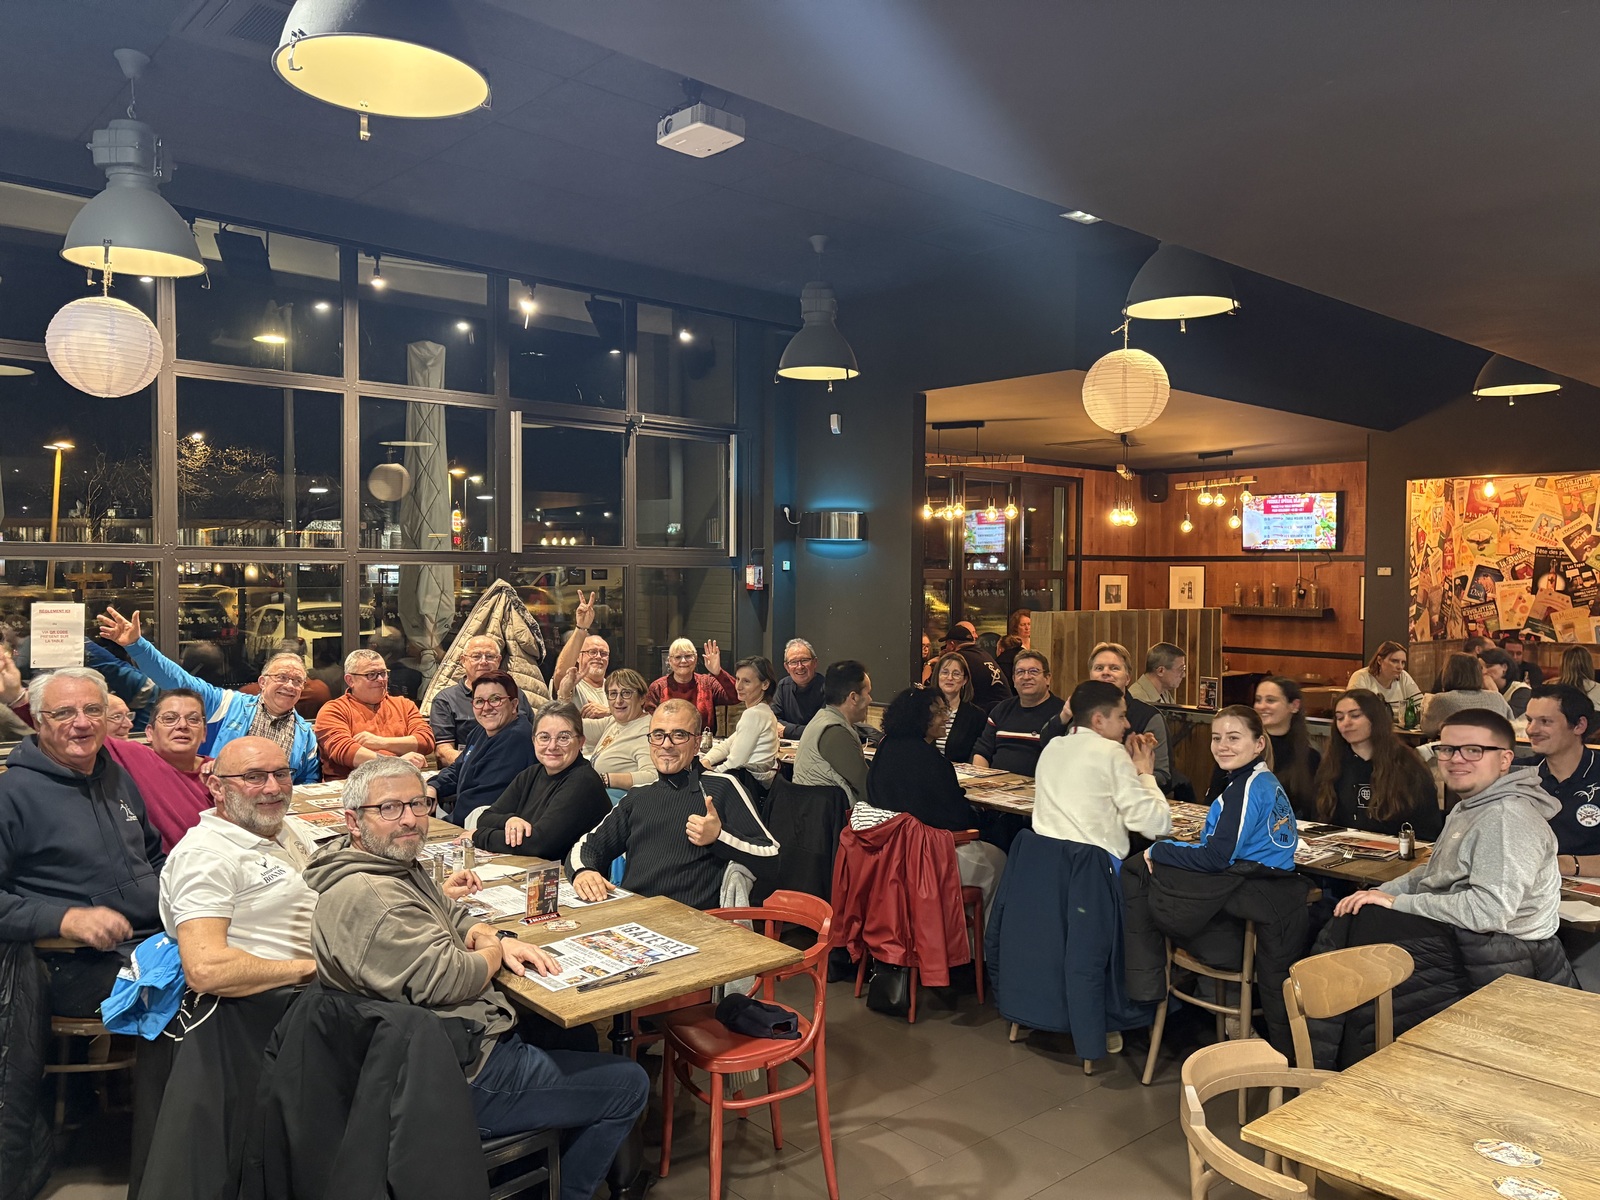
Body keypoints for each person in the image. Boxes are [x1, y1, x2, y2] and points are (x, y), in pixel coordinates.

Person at [304, 758, 649, 1200]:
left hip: (417, 1054)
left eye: (417, 804)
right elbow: (452, 977)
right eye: (389, 808)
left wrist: (491, 935)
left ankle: (539, 1170)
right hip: (450, 1076)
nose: (409, 819)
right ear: (353, 820)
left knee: (577, 1035)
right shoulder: (378, 899)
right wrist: (493, 951)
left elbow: (449, 910)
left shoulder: (381, 865)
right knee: (630, 1084)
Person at [0, 667, 164, 1015]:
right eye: (64, 713)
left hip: (151, 939)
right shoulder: (10, 795)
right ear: (38, 721)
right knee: (201, 994)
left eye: (93, 710)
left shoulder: (116, 776)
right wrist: (64, 919)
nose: (82, 723)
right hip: (72, 960)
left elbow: (153, 857)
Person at [1334, 709, 1566, 950]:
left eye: (1473, 750)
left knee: (1358, 927)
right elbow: (1436, 873)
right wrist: (1381, 893)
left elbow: (1487, 912)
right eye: (1447, 749)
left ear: (1505, 760)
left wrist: (1396, 902)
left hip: (1499, 951)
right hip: (1462, 936)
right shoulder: (1469, 806)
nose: (1456, 759)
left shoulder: (1506, 817)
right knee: (1355, 912)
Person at [568, 699, 779, 908]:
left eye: (679, 735)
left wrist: (719, 837)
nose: (666, 744)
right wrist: (583, 872)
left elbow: (772, 859)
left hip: (695, 923)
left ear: (696, 744)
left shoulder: (722, 787)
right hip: (635, 918)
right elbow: (586, 847)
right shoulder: (637, 797)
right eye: (658, 735)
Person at [158, 736, 318, 997]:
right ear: (217, 788)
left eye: (281, 774)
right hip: (282, 1000)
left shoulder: (284, 826)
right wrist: (321, 970)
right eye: (254, 777)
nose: (273, 788)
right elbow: (206, 970)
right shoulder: (204, 857)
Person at [98, 605, 320, 783]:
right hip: (217, 805)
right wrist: (137, 646)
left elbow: (307, 783)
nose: (289, 685)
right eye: (282, 677)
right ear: (262, 682)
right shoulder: (227, 704)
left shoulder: (305, 735)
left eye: (297, 681)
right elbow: (177, 680)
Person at [856, 687, 1008, 908]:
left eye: (945, 711)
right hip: (928, 858)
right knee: (1000, 859)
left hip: (888, 855)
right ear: (919, 717)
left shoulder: (885, 748)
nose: (946, 718)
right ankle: (973, 929)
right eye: (938, 713)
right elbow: (958, 819)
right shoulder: (932, 762)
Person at [1145, 705, 1298, 875]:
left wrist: (1157, 850)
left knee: (1139, 869)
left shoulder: (1244, 789)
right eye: (1216, 738)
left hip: (1255, 881)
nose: (1222, 746)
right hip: (1271, 876)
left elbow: (1216, 858)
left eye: (1233, 738)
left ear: (1259, 744)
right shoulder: (1264, 777)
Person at [1031, 680, 1172, 859]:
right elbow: (1156, 826)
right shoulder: (1112, 753)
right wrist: (1144, 774)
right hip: (1093, 867)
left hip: (1045, 862)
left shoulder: (1052, 747)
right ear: (1098, 720)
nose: (1127, 724)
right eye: (1121, 716)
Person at [471, 701, 610, 857]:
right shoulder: (531, 774)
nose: (552, 746)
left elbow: (539, 844)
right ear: (533, 741)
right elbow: (485, 818)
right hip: (531, 866)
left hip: (568, 871)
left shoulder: (583, 781)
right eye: (544, 737)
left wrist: (477, 836)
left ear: (580, 742)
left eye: (563, 737)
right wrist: (510, 820)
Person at [1311, 689, 1441, 840]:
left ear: (1375, 718)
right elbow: (1319, 818)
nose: (1346, 723)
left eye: (1355, 715)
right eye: (1340, 718)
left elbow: (1427, 826)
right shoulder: (1331, 766)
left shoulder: (1407, 765)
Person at [106, 688, 215, 853]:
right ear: (150, 733)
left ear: (204, 733)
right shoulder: (132, 756)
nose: (182, 726)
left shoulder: (221, 773)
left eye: (193, 719)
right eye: (169, 718)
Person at [428, 671, 538, 827]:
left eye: (495, 699)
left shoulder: (517, 739)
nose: (486, 708)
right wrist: (434, 786)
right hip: (466, 821)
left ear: (514, 705)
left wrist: (442, 825)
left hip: (486, 827)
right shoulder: (482, 730)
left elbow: (481, 800)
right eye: (479, 701)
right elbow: (458, 768)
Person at [313, 649, 434, 781]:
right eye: (371, 675)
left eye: (383, 673)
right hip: (351, 786)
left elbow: (425, 741)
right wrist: (397, 764)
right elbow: (347, 752)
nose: (381, 679)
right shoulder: (333, 710)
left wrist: (380, 742)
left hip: (402, 783)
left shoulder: (404, 705)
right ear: (350, 680)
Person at [1525, 685, 1600, 878]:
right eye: (1529, 720)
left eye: (1545, 721)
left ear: (1579, 726)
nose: (1531, 730)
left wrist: (1568, 864)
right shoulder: (1519, 775)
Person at [429, 635, 535, 766]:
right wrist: (477, 765)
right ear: (463, 661)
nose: (483, 662)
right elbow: (443, 752)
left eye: (490, 656)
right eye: (476, 656)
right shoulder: (446, 700)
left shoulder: (516, 694)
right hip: (468, 767)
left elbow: (535, 736)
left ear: (498, 660)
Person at [1084, 642, 1173, 793]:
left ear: (1127, 678)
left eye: (1114, 668)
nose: (1105, 673)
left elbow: (1163, 777)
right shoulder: (1081, 713)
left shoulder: (1149, 716)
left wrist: (1133, 773)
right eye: (1099, 668)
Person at [971, 650, 1065, 776]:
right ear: (1014, 680)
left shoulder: (1062, 714)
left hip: (1039, 786)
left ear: (1047, 678)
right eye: (1020, 672)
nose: (1026, 677)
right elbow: (982, 752)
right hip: (995, 784)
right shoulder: (1001, 710)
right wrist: (980, 780)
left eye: (1033, 671)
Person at [792, 660, 872, 807]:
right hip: (827, 816)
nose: (870, 700)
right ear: (853, 697)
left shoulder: (823, 718)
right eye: (868, 693)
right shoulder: (835, 733)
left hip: (813, 812)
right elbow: (868, 789)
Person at [1241, 677, 1321, 817]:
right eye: (1258, 700)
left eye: (1270, 700)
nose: (1261, 706)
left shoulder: (1310, 756)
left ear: (1294, 706)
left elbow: (1312, 811)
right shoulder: (1240, 749)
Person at [699, 655, 784, 785]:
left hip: (750, 786)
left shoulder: (754, 714)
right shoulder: (764, 711)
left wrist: (707, 774)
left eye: (746, 681)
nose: (738, 686)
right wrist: (707, 760)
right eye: (738, 679)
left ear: (765, 684)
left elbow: (734, 763)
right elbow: (728, 745)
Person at [582, 669, 657, 791]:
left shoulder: (647, 731)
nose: (618, 700)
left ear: (642, 698)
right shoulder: (615, 722)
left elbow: (652, 777)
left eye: (626, 693)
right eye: (613, 694)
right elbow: (573, 726)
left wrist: (606, 779)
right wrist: (564, 694)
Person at [643, 638, 738, 733]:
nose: (683, 661)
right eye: (677, 657)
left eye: (688, 656)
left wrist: (718, 673)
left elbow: (737, 696)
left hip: (702, 740)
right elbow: (650, 723)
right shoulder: (658, 687)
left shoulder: (707, 683)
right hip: (668, 739)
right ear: (670, 661)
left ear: (696, 659)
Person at [1420, 652, 1512, 736]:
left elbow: (1427, 728)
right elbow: (1512, 723)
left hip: (1457, 747)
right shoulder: (1497, 697)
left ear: (1448, 674)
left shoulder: (1442, 700)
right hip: (1494, 747)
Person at [552, 591, 611, 718]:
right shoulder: (573, 684)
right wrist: (581, 627)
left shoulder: (615, 688)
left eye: (604, 653)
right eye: (592, 652)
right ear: (578, 657)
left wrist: (609, 712)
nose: (598, 657)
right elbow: (561, 673)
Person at [927, 652, 988, 764]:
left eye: (956, 674)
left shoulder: (977, 716)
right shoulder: (925, 710)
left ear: (965, 680)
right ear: (937, 676)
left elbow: (978, 753)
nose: (950, 678)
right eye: (945, 672)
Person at [1346, 640, 1424, 724]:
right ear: (1379, 660)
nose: (1400, 667)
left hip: (1399, 731)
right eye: (1394, 661)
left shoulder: (1404, 677)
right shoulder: (1361, 677)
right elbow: (1355, 711)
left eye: (1403, 662)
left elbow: (1422, 707)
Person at [944, 621, 1011, 711]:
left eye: (946, 645)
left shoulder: (959, 659)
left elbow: (950, 691)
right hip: (1006, 709)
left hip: (992, 713)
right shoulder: (982, 654)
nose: (945, 649)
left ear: (952, 644)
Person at [772, 638, 825, 738]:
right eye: (793, 662)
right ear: (786, 667)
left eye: (804, 660)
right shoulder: (783, 686)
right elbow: (773, 721)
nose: (800, 667)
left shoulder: (828, 689)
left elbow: (823, 729)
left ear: (815, 663)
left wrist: (787, 731)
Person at [1480, 647, 1534, 719]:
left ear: (1504, 667)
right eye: (1480, 668)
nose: (1484, 671)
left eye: (1489, 666)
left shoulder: (1523, 691)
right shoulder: (1481, 690)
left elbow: (1505, 718)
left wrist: (1493, 692)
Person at [994, 609, 1032, 681]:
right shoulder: (1010, 644)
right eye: (1023, 625)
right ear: (1016, 627)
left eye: (1029, 624)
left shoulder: (1036, 642)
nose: (1027, 628)